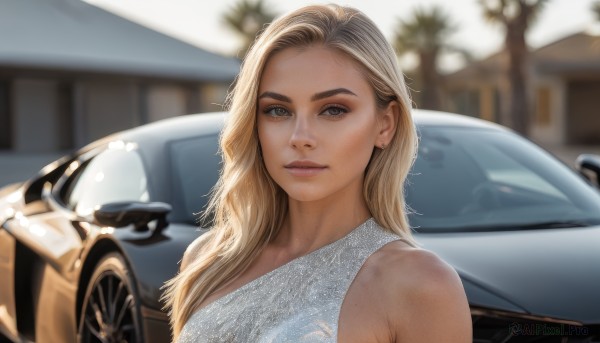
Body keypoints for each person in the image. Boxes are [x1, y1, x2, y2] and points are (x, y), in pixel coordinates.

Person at [162, 4, 471, 342]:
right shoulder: (209, 259)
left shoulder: (421, 285)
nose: (300, 138)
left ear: (386, 124)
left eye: (333, 109)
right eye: (277, 110)